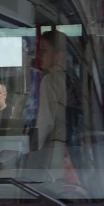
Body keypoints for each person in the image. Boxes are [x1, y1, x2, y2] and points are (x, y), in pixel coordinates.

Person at [33, 30, 69, 166]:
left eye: (44, 50)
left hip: (54, 151)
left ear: (58, 55)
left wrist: (34, 151)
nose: (40, 55)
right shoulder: (73, 80)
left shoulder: (49, 80)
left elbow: (45, 122)